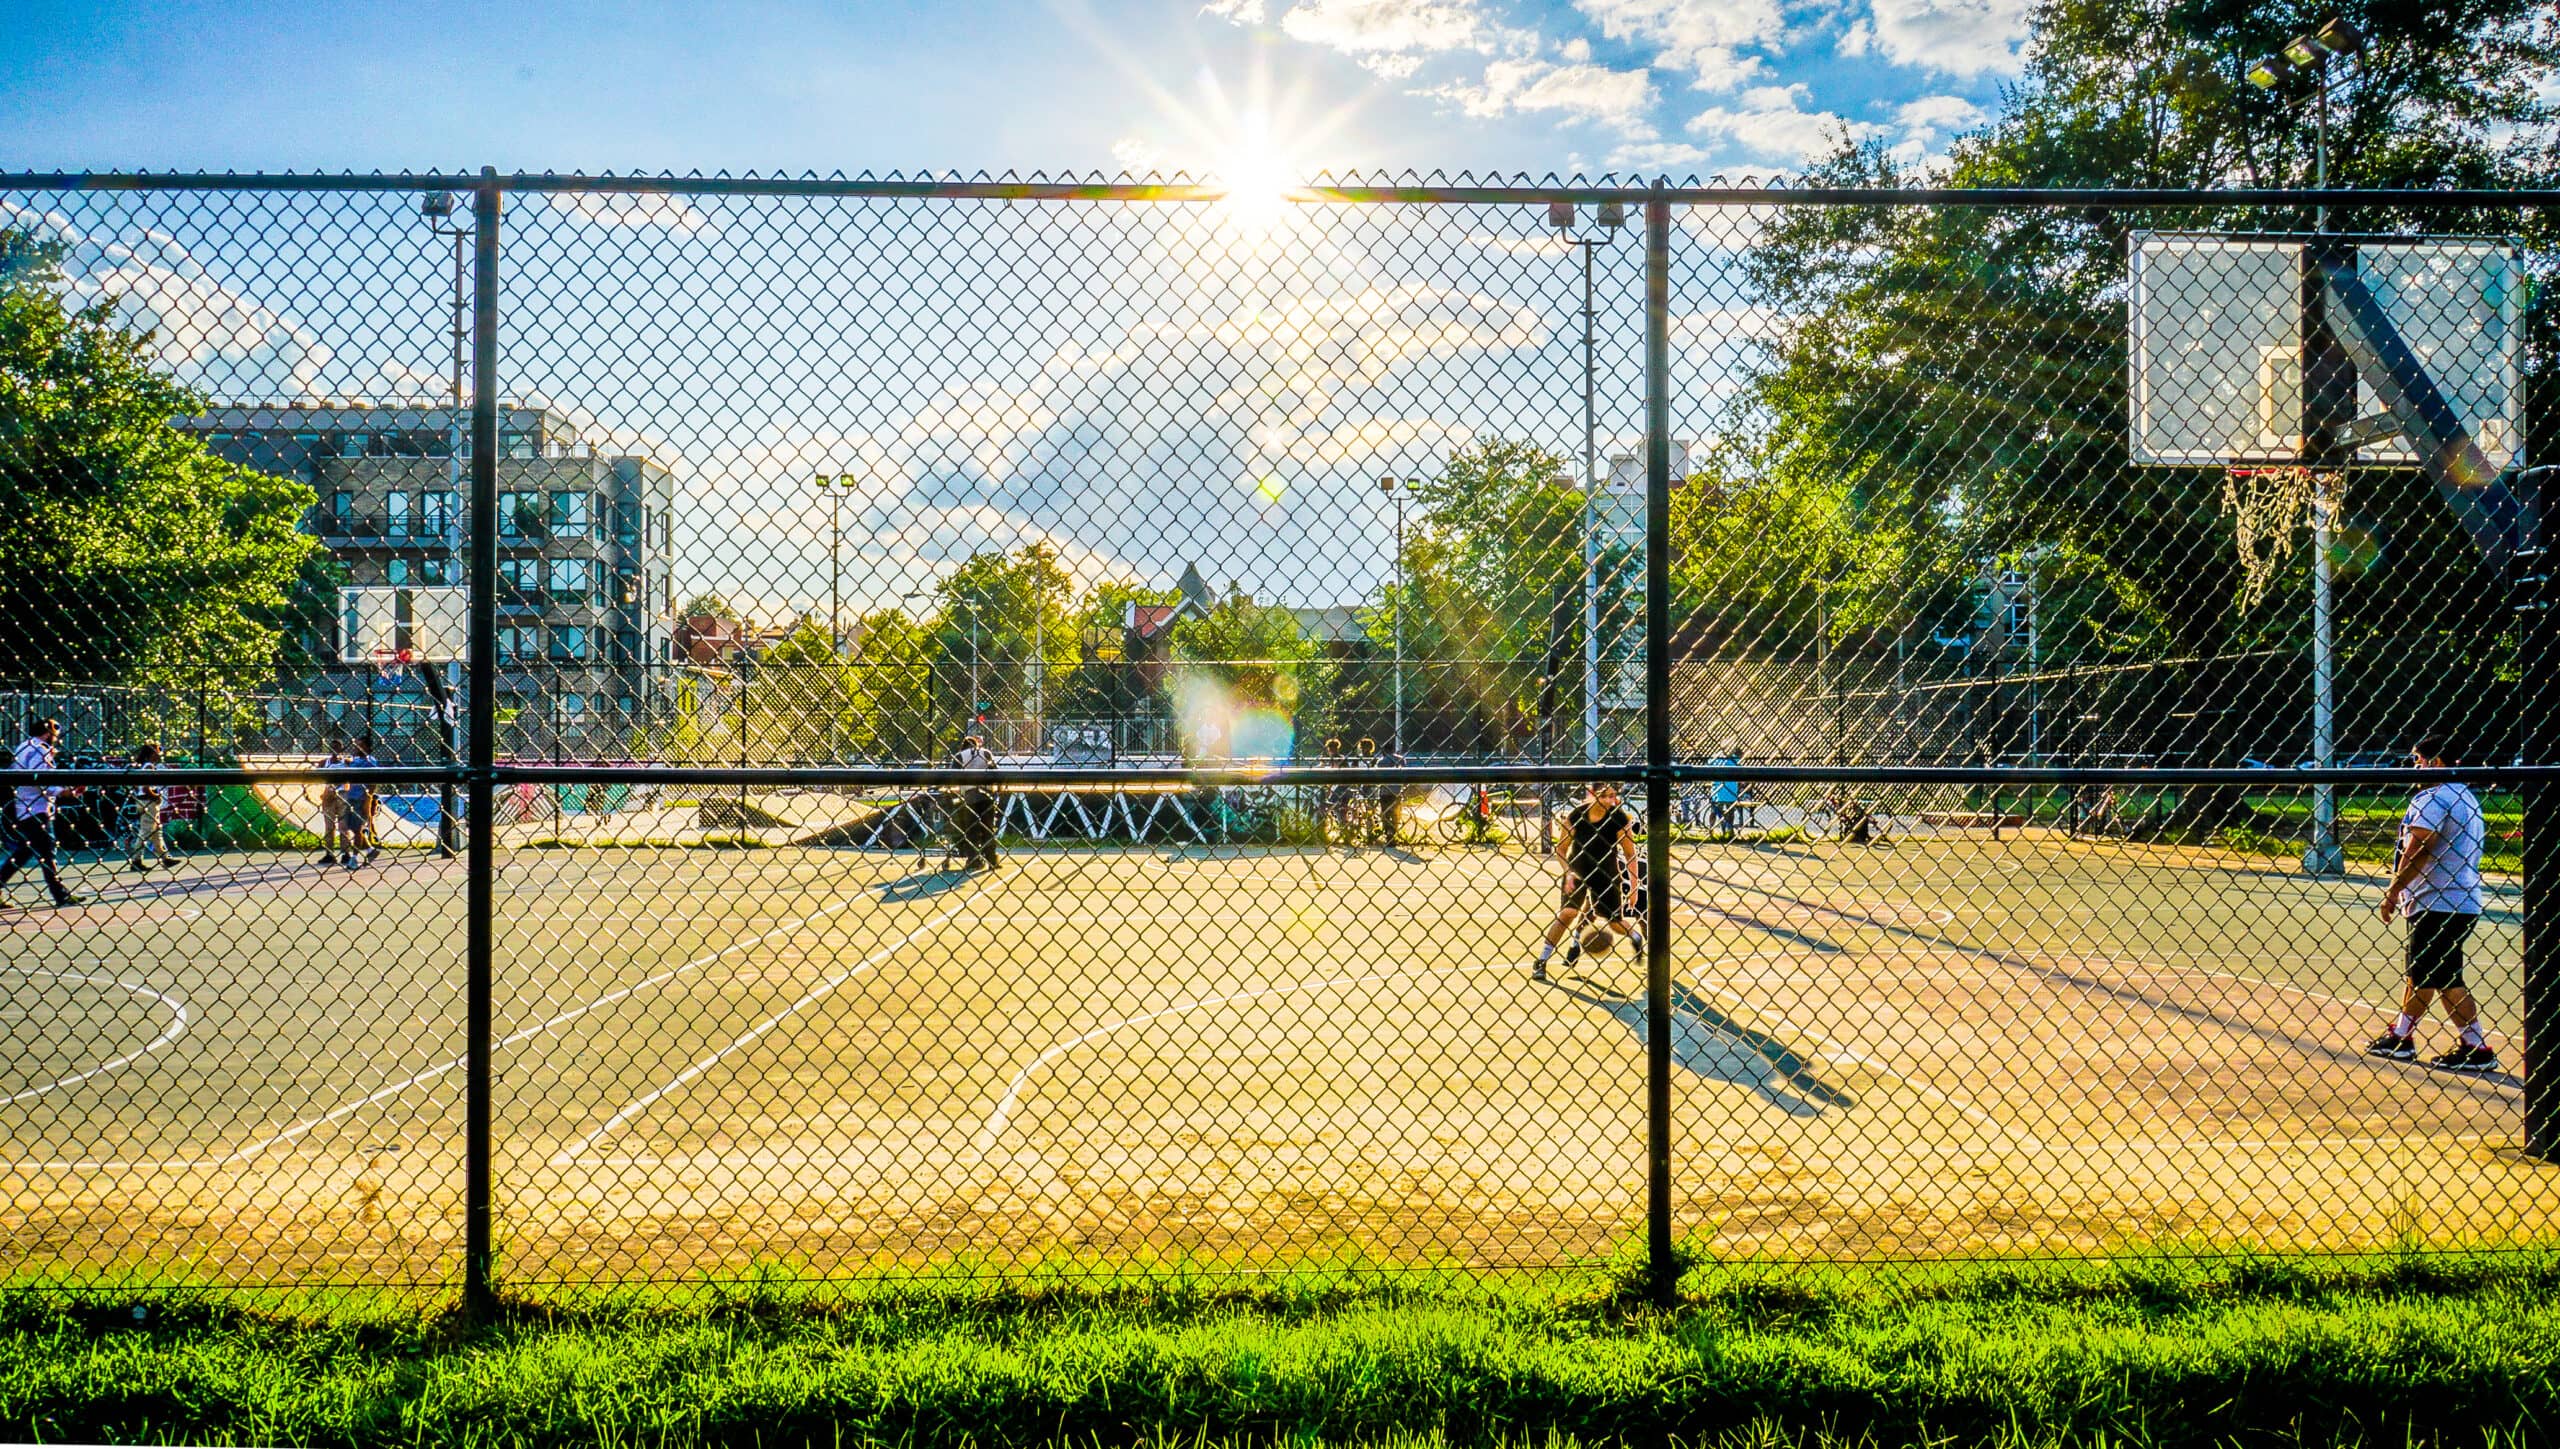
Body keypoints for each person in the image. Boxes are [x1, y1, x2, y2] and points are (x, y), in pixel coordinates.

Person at [2366, 736, 2498, 1072]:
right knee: (2429, 973)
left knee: (2438, 976)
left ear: (2436, 761)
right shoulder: (2465, 796)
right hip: (2454, 900)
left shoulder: (2433, 798)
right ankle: (2407, 1035)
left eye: (2417, 759)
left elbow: (2420, 847)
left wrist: (2393, 890)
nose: (2413, 766)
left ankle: (2470, 1045)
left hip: (2440, 901)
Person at [1534, 782, 1643, 982]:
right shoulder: (1577, 816)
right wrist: (1568, 872)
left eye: (1613, 796)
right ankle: (1541, 961)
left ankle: (1635, 937)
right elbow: (1561, 849)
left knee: (1613, 921)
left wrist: (1633, 887)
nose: (1611, 800)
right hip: (1578, 871)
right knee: (1568, 913)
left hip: (1606, 875)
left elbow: (1630, 854)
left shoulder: (1619, 818)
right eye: (1606, 796)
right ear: (1593, 794)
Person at [0, 715, 83, 908]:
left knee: (25, 850)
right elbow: (42, 780)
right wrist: (65, 792)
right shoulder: (41, 749)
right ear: (48, 733)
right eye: (55, 734)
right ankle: (60, 894)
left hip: (24, 804)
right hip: (37, 808)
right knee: (47, 849)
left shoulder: (23, 746)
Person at [123, 742, 180, 872]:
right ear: (151, 754)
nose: (159, 755)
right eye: (157, 752)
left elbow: (137, 786)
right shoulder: (149, 767)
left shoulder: (142, 766)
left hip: (143, 801)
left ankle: (165, 857)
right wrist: (156, 796)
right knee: (146, 832)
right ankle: (136, 860)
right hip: (148, 802)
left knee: (156, 831)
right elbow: (146, 788)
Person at [952, 732, 998, 871]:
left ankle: (973, 859)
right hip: (986, 794)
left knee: (971, 829)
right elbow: (995, 770)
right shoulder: (986, 753)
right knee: (988, 828)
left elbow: (952, 775)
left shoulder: (960, 756)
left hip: (970, 795)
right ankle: (991, 858)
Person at [339, 735, 379, 869]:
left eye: (359, 744)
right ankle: (369, 850)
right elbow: (349, 769)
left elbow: (372, 784)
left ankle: (354, 858)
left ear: (366, 747)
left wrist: (367, 800)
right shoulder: (356, 760)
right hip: (351, 796)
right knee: (351, 827)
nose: (356, 747)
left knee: (357, 829)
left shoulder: (370, 761)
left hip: (361, 798)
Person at [318, 744, 349, 865]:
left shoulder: (346, 762)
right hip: (329, 796)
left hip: (342, 795)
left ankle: (345, 853)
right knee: (329, 826)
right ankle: (329, 854)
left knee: (343, 826)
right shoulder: (324, 762)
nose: (335, 751)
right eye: (333, 748)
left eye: (338, 748)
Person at [1317, 737, 1352, 846]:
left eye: (1329, 748)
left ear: (1329, 749)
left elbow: (1333, 775)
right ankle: (1345, 833)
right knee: (1342, 810)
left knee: (1331, 805)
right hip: (1346, 788)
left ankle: (1341, 830)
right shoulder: (1342, 758)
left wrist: (1328, 790)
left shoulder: (1335, 759)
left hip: (1341, 788)